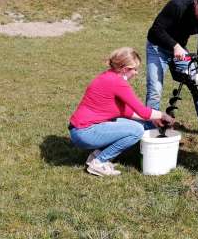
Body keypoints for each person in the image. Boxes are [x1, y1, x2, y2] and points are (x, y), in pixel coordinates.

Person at [68, 47, 175, 177]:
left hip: (79, 130)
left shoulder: (108, 76)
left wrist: (153, 119)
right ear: (125, 69)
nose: (136, 73)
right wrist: (163, 115)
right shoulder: (118, 83)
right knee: (137, 130)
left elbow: (125, 111)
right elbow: (143, 111)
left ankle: (95, 157)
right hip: (85, 132)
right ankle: (99, 162)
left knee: (135, 124)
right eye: (134, 69)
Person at [145, 0, 198, 141]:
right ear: (196, 1)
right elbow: (155, 30)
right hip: (157, 48)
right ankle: (150, 128)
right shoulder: (176, 6)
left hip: (180, 52)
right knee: (154, 89)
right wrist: (174, 46)